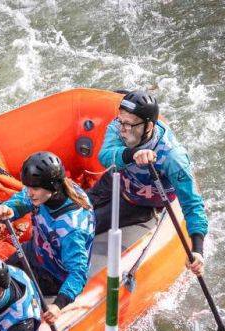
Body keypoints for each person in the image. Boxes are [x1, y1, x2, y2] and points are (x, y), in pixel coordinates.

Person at [88, 90, 207, 277]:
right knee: (78, 210)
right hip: (116, 179)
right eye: (121, 121)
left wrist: (197, 248)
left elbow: (192, 204)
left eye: (129, 124)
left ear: (149, 126)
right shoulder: (119, 126)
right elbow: (105, 156)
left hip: (138, 202)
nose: (122, 129)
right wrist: (131, 155)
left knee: (90, 222)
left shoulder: (173, 158)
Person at [0, 151, 94, 325]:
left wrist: (57, 306)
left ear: (53, 187)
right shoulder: (49, 190)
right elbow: (23, 198)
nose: (30, 193)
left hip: (53, 275)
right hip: (34, 251)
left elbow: (78, 273)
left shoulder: (71, 229)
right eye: (28, 187)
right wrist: (9, 209)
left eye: (34, 188)